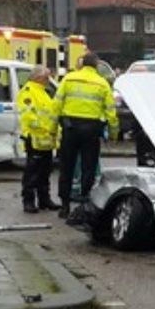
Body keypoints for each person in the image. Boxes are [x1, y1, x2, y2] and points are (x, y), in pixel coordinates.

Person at [54, 52, 118, 219]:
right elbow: (111, 111)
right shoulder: (102, 83)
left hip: (70, 128)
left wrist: (54, 127)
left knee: (66, 167)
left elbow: (57, 104)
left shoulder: (69, 79)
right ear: (96, 66)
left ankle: (65, 205)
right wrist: (113, 133)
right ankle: (84, 203)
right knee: (88, 168)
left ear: (82, 64)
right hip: (91, 130)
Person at [16, 65, 61, 213]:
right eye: (47, 77)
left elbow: (50, 114)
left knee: (45, 172)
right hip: (35, 138)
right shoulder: (28, 92)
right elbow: (29, 115)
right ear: (38, 78)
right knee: (32, 172)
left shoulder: (43, 92)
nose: (49, 80)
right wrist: (45, 128)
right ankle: (28, 201)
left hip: (46, 140)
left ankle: (44, 199)